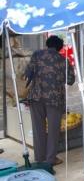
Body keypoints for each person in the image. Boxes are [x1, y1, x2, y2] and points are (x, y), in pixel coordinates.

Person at [25, 36, 75, 166]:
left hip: (36, 96)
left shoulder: (36, 55)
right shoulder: (63, 60)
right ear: (60, 47)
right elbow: (70, 80)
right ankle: (50, 159)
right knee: (53, 130)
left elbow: (27, 73)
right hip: (54, 99)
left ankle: (40, 158)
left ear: (47, 44)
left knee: (38, 129)